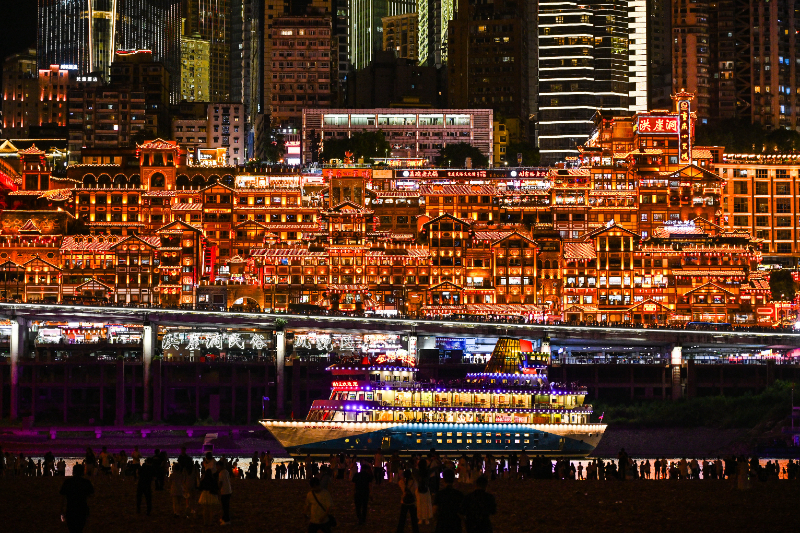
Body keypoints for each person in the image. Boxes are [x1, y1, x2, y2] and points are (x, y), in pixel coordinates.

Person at [60, 464, 94, 533]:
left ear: (73, 472)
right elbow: (91, 495)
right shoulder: (86, 482)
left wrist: (62, 510)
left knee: (72, 529)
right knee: (80, 528)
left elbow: (62, 497)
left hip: (70, 509)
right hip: (82, 509)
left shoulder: (67, 482)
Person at [434, 469, 464, 533]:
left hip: (442, 523)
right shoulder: (459, 494)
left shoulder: (440, 494)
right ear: (453, 479)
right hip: (455, 524)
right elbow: (462, 511)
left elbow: (435, 510)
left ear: (443, 479)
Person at [397, 469, 420, 533]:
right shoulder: (414, 482)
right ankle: (415, 531)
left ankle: (400, 530)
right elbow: (416, 489)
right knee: (414, 519)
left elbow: (399, 482)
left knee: (402, 518)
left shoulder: (402, 482)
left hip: (404, 501)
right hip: (412, 502)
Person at [198, 462, 220, 526]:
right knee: (211, 510)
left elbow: (200, 488)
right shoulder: (213, 480)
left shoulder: (203, 480)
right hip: (211, 494)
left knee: (205, 509)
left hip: (204, 494)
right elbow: (216, 487)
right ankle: (210, 522)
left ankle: (205, 522)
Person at [352, 460, 373, 525]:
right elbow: (370, 485)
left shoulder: (357, 475)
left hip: (358, 492)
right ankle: (363, 519)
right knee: (364, 506)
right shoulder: (368, 475)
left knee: (358, 506)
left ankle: (359, 517)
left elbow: (354, 484)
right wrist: (371, 493)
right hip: (365, 492)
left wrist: (353, 492)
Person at [218, 458, 233, 526]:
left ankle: (227, 520)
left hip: (224, 491)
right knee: (226, 506)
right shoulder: (226, 471)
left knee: (225, 506)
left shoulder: (221, 473)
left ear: (220, 466)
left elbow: (220, 483)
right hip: (229, 490)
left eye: (217, 466)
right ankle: (224, 518)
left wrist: (218, 490)